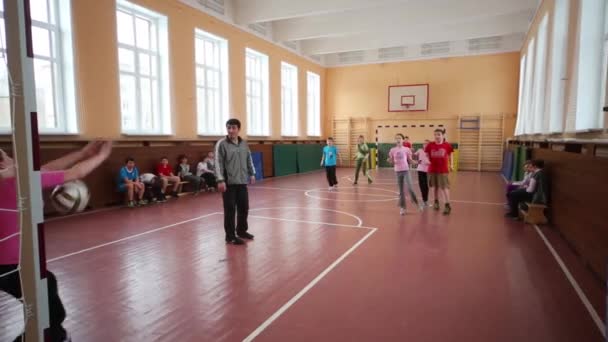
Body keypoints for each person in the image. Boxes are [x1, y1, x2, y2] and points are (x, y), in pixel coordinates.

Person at [0, 141, 112, 342]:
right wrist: (101, 156)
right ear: (3, 165)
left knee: (44, 292)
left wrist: (83, 152)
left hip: (13, 264)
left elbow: (48, 168)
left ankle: (46, 335)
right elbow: (74, 174)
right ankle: (52, 337)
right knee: (46, 297)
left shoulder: (20, 179)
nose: (12, 158)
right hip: (8, 266)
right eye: (7, 156)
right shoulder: (19, 182)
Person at [214, 118, 256, 245]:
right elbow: (217, 162)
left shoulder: (244, 144)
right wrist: (220, 180)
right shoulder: (221, 144)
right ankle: (230, 236)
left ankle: (242, 231)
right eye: (229, 128)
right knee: (230, 209)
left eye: (233, 128)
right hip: (228, 183)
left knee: (244, 207)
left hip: (242, 181)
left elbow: (249, 159)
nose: (231, 130)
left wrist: (252, 173)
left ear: (239, 129)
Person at [388, 134, 422, 215]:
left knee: (410, 188)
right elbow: (392, 162)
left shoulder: (406, 149)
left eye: (399, 138)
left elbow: (410, 160)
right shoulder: (392, 150)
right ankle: (403, 208)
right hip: (397, 171)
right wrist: (390, 161)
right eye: (396, 138)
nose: (398, 140)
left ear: (403, 140)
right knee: (401, 191)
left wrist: (416, 162)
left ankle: (417, 204)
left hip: (406, 170)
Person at [425, 128, 454, 215]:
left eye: (438, 134)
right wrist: (427, 160)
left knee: (444, 188)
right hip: (432, 169)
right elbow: (426, 154)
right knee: (435, 187)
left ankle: (447, 205)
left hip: (443, 170)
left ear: (442, 135)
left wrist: (451, 164)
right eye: (435, 134)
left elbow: (450, 154)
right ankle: (436, 202)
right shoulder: (430, 145)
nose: (437, 136)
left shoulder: (447, 145)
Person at [415, 140, 431, 206]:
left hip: (427, 171)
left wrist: (429, 163)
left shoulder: (430, 152)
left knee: (426, 186)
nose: (425, 145)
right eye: (424, 144)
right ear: (423, 145)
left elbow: (433, 161)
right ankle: (424, 200)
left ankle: (426, 200)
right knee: (422, 186)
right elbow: (413, 156)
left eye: (427, 144)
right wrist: (417, 160)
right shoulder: (419, 150)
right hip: (420, 170)